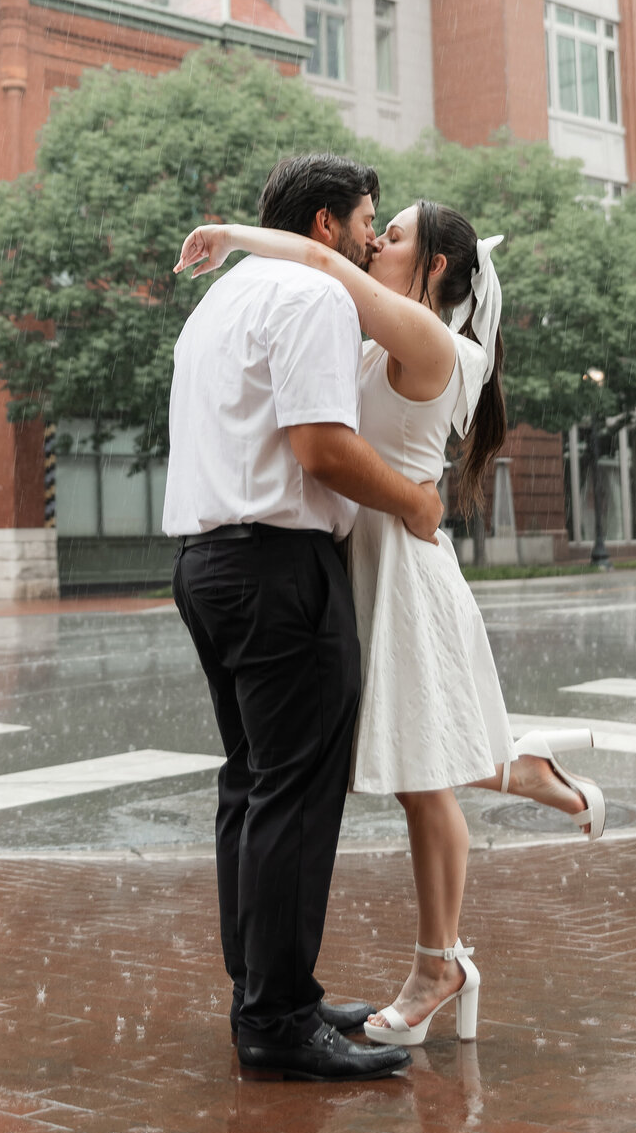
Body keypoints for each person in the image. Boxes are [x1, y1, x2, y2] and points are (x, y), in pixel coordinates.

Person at [176, 196, 606, 1050]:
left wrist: (232, 237)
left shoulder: (433, 342)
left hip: (401, 567)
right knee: (405, 747)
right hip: (352, 559)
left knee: (419, 777)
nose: (378, 242)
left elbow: (327, 263)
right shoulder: (378, 336)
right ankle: (525, 767)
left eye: (397, 234)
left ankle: (438, 963)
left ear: (436, 268)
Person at [164, 153, 444, 1083]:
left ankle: (266, 990)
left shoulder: (219, 303)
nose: (372, 239)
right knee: (291, 792)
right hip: (279, 568)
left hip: (207, 563)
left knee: (250, 785)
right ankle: (278, 1022)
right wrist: (409, 498)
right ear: (326, 224)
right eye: (367, 221)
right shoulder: (316, 299)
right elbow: (322, 448)